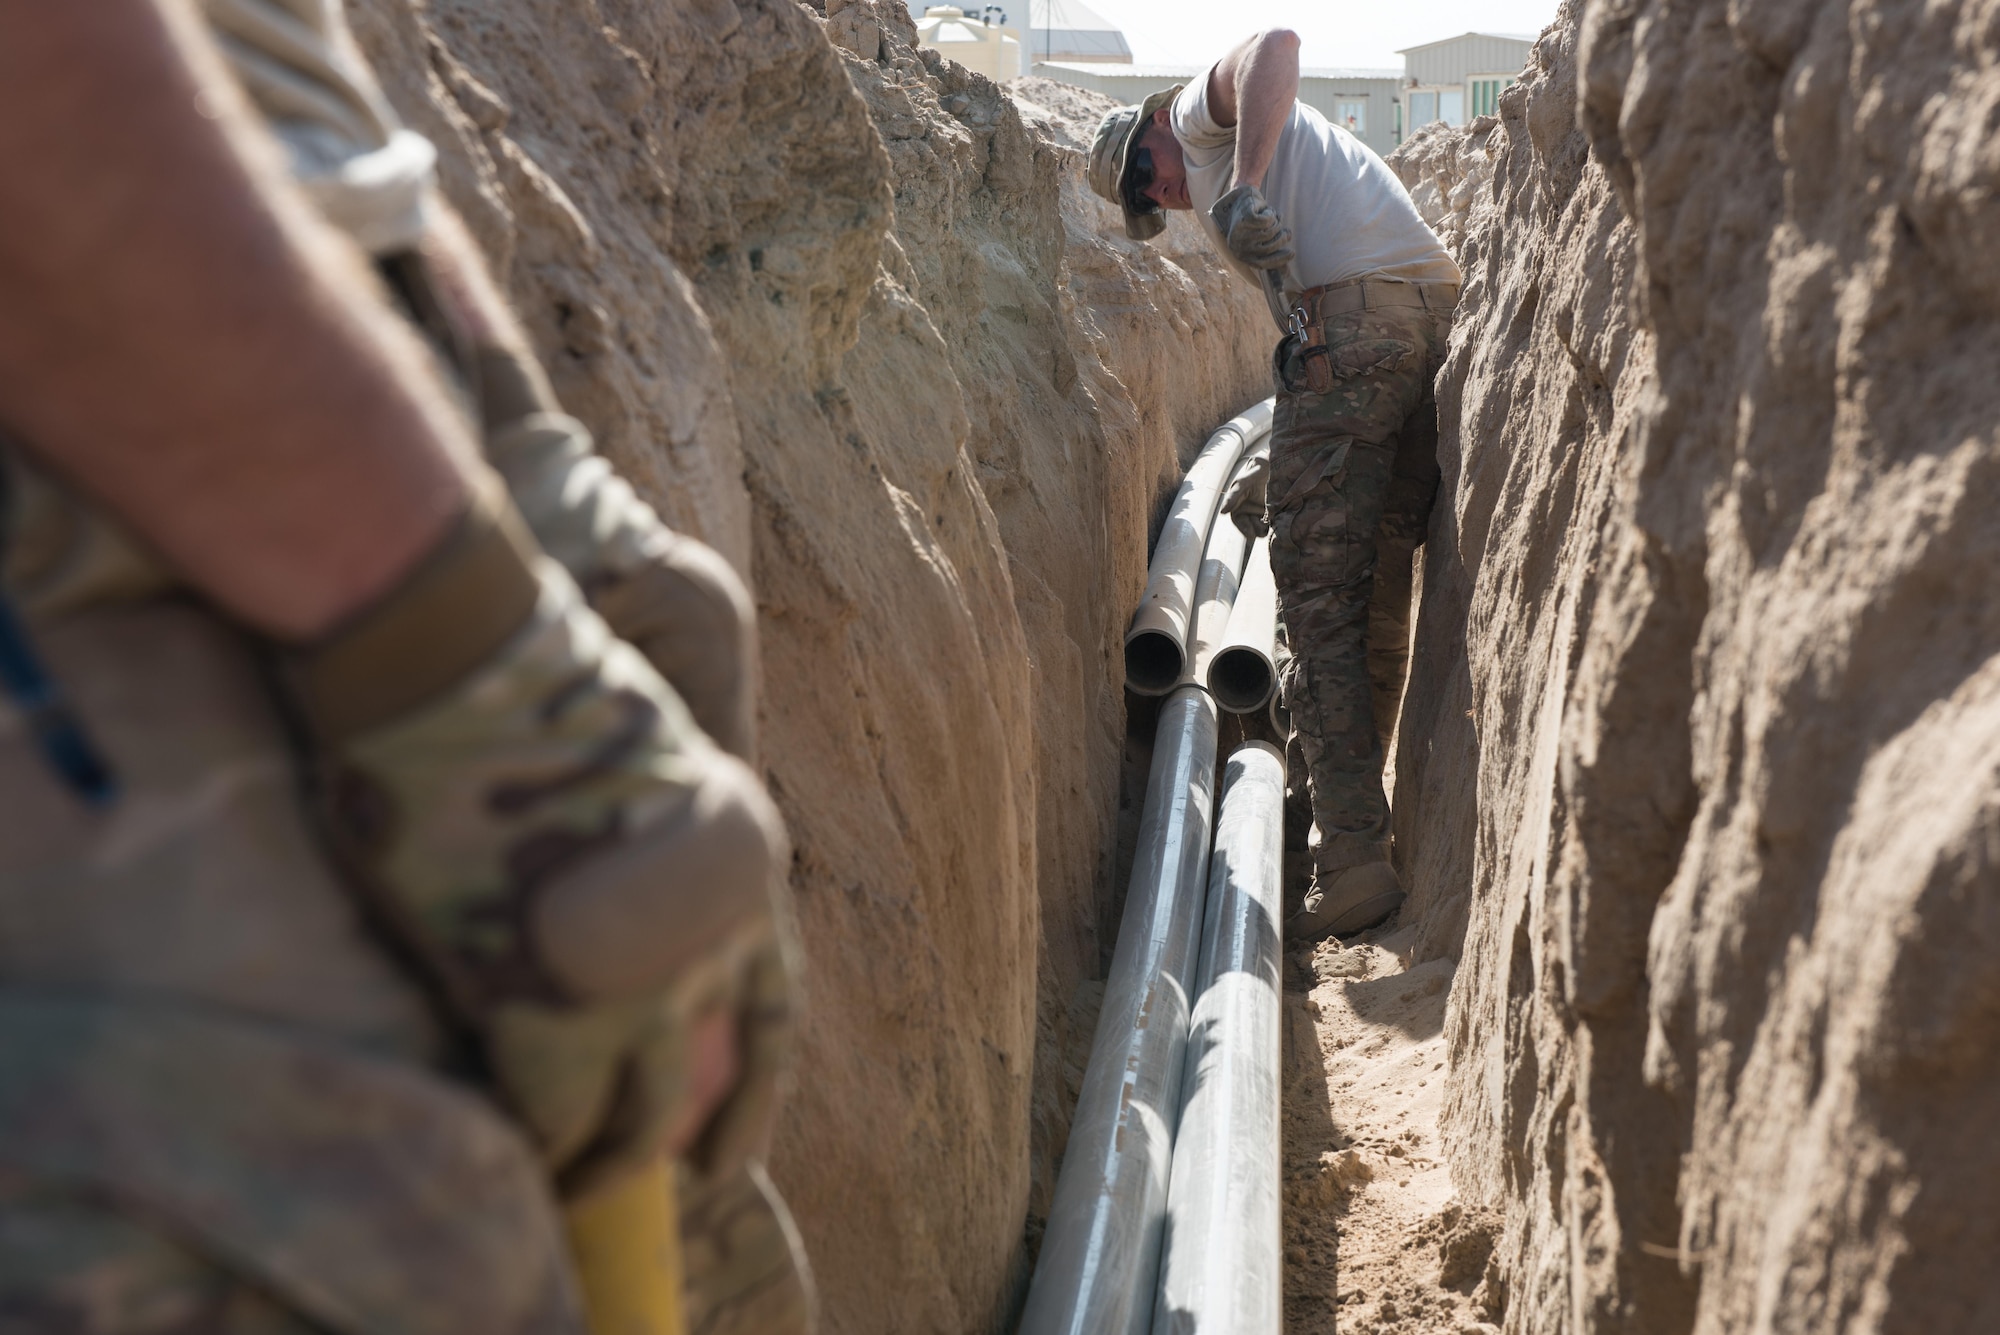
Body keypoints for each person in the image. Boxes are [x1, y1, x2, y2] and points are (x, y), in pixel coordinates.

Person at [0, 2, 805, 1331]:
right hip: (115, 505)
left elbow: (276, 64)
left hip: (304, 426)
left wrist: (505, 423)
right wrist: (449, 647)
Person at [1086, 30, 1461, 940]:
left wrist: (1245, 181)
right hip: (1424, 322)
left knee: (1312, 593)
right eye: (1144, 201)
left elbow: (1274, 44)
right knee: (1369, 582)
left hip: (1355, 333)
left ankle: (1352, 857)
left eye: (1145, 172)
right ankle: (1358, 845)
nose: (1156, 192)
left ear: (1153, 129)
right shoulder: (1215, 171)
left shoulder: (1199, 127)